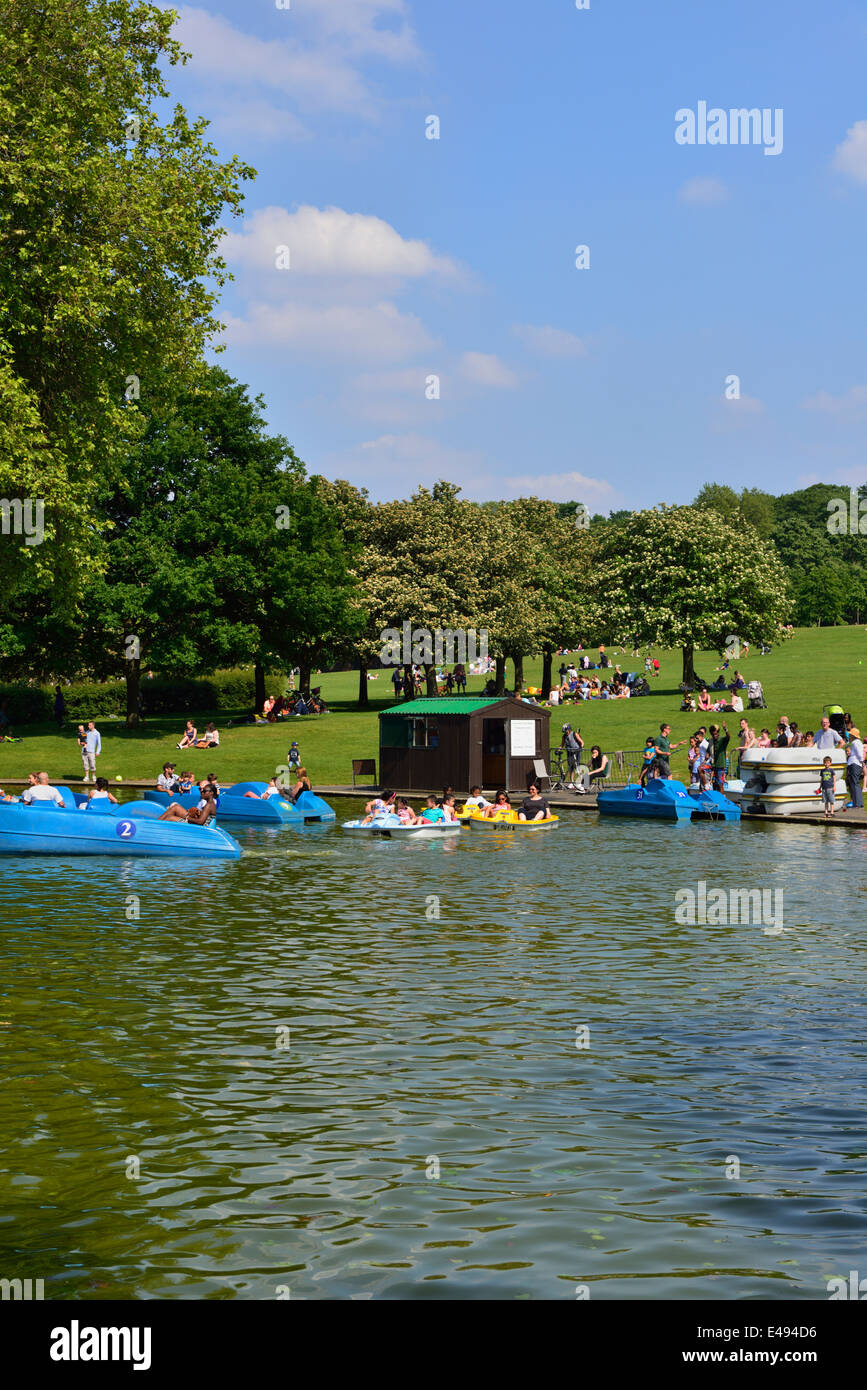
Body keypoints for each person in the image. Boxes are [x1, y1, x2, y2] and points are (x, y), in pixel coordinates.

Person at [845, 726, 864, 809]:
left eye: (850, 735)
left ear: (853, 736)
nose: (849, 736)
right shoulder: (857, 742)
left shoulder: (855, 743)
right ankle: (857, 803)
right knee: (854, 783)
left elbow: (860, 754)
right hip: (855, 764)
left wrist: (861, 761)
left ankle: (858, 803)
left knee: (855, 783)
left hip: (855, 764)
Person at [560, 724, 585, 789]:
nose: (566, 733)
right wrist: (559, 749)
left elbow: (582, 742)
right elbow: (562, 744)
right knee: (571, 767)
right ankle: (572, 782)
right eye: (565, 732)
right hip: (569, 752)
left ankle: (580, 782)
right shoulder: (564, 736)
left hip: (577, 752)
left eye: (566, 731)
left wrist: (581, 748)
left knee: (577, 766)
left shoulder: (574, 734)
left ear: (569, 729)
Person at [709, 721, 730, 792]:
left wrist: (725, 729)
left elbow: (728, 737)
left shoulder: (722, 740)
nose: (715, 735)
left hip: (720, 764)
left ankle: (723, 797)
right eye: (713, 734)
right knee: (716, 783)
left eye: (716, 733)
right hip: (714, 765)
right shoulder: (711, 741)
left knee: (720, 783)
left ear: (718, 732)